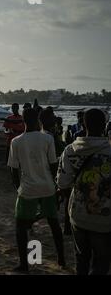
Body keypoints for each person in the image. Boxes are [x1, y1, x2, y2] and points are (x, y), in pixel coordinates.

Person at [8, 108, 65, 273]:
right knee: (53, 223)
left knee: (20, 226)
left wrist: (18, 187)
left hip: (28, 188)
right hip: (47, 186)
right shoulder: (47, 138)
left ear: (23, 121)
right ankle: (61, 258)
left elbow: (13, 170)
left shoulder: (16, 141)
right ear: (39, 120)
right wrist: (56, 186)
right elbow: (54, 165)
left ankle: (24, 264)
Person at [57, 108, 111, 275]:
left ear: (82, 124)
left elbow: (62, 183)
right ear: (105, 126)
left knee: (81, 258)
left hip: (78, 214)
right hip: (104, 219)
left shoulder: (70, 150)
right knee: (101, 262)